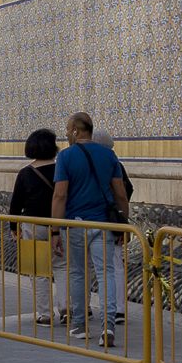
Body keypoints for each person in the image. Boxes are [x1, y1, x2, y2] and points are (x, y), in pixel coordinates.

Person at [52, 112, 131, 345]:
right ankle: (108, 327)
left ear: (76, 130)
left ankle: (79, 325)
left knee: (78, 273)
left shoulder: (65, 157)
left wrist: (55, 230)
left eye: (68, 129)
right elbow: (120, 193)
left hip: (75, 223)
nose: (66, 134)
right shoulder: (109, 155)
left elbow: (60, 195)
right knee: (105, 273)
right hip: (103, 224)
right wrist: (122, 225)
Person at [8, 129, 62, 326]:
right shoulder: (61, 170)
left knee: (39, 271)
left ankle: (45, 313)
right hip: (61, 224)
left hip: (33, 225)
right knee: (62, 268)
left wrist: (13, 226)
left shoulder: (26, 173)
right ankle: (67, 309)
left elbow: (16, 203)